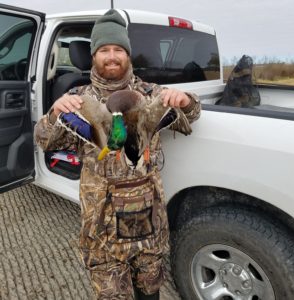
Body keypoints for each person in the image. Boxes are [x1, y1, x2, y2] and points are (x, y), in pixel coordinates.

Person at [34, 9, 200, 300]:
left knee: (150, 290)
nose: (112, 56)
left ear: (128, 54)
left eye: (119, 49)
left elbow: (193, 113)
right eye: (104, 50)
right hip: (102, 227)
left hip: (148, 220)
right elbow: (44, 141)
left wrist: (185, 101)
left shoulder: (151, 94)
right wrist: (54, 113)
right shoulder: (78, 99)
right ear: (93, 56)